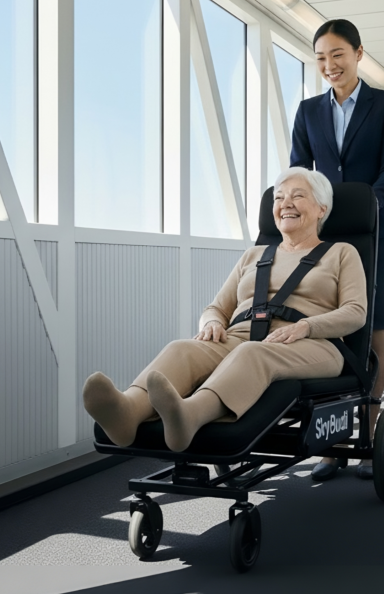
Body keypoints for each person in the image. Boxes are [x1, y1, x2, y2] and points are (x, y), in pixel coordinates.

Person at [81, 168, 366, 453]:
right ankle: (128, 411)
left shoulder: (341, 253)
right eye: (279, 198)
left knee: (252, 353)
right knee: (183, 348)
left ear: (321, 209)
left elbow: (355, 312)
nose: (285, 203)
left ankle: (190, 415)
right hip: (241, 337)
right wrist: (212, 323)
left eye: (297, 196)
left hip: (314, 344)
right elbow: (216, 308)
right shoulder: (254, 255)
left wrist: (307, 326)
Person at [289, 18, 384, 481]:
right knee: (324, 325)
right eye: (320, 57)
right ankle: (331, 443)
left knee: (370, 325)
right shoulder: (308, 110)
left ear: (358, 53)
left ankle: (370, 430)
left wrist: (362, 207)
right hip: (323, 234)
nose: (329, 65)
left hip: (374, 230)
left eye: (337, 54)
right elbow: (300, 171)